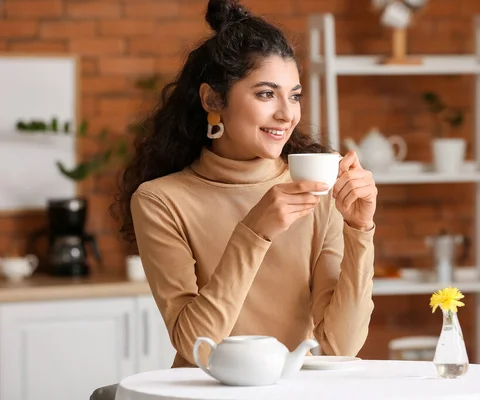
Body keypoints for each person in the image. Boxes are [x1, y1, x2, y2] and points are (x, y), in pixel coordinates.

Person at [114, 0, 378, 369]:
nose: (287, 114)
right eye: (266, 94)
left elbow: (341, 347)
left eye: (295, 95)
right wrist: (255, 231)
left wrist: (359, 229)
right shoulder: (161, 200)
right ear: (213, 99)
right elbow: (197, 348)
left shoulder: (316, 189)